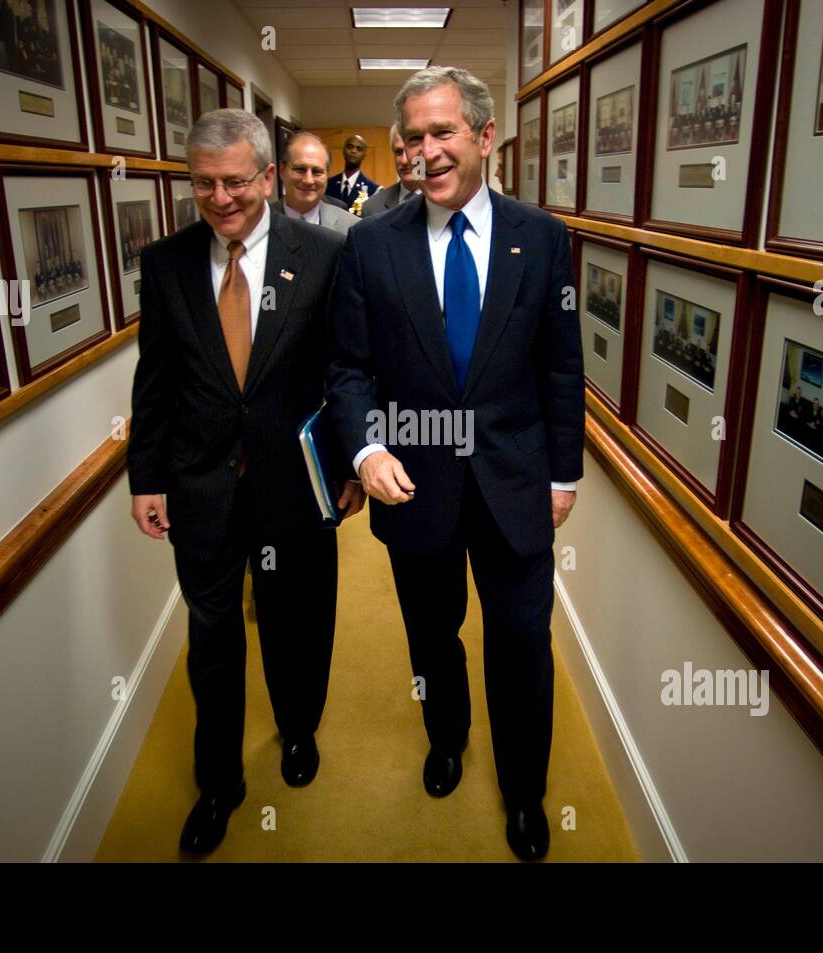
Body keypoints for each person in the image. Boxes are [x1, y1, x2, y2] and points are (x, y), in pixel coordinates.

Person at [326, 66, 584, 862]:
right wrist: (366, 446)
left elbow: (560, 366)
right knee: (432, 637)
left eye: (442, 133)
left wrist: (563, 474)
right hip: (417, 489)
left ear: (483, 136)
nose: (426, 152)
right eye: (412, 138)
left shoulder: (539, 236)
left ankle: (524, 790)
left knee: (520, 641)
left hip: (515, 485)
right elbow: (348, 369)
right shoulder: (371, 243)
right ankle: (447, 739)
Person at [128, 108, 364, 856]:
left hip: (295, 486)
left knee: (298, 623)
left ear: (267, 177)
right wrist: (146, 476)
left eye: (235, 181)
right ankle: (218, 782)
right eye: (204, 184)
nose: (221, 198)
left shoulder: (326, 256)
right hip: (202, 488)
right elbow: (155, 379)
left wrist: (353, 461)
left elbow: (347, 371)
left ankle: (298, 731)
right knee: (212, 639)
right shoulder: (166, 264)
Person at [270, 131, 358, 235]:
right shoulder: (257, 222)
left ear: (327, 175)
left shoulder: (352, 227)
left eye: (317, 172)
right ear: (282, 171)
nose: (308, 180)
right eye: (300, 170)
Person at [362, 124, 424, 218]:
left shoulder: (446, 203)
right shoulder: (372, 208)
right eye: (398, 152)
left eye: (411, 151)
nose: (404, 160)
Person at [325, 134, 379, 212]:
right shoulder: (327, 184)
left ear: (364, 155)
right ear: (343, 151)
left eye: (359, 149)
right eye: (350, 147)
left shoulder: (373, 190)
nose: (353, 151)